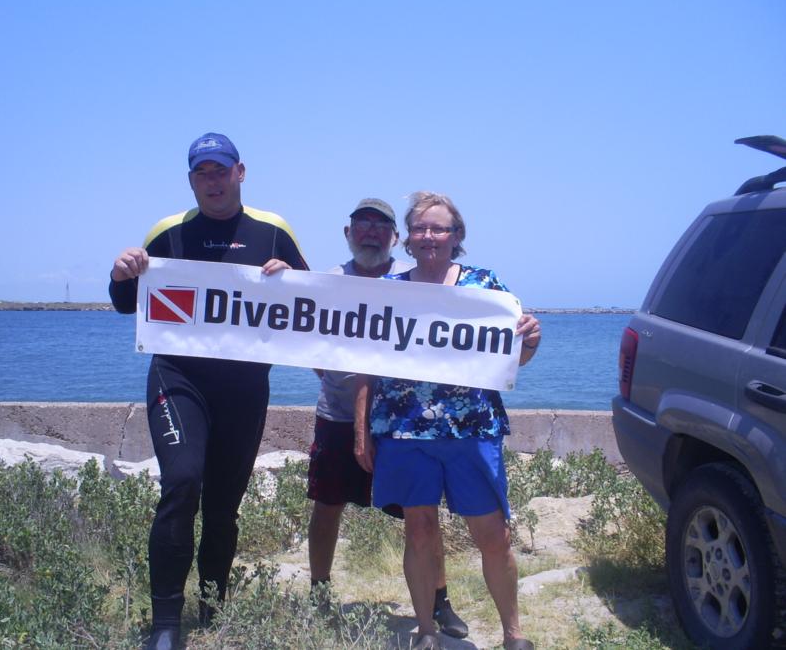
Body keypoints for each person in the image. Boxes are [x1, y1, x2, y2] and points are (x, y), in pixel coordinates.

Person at [109, 133, 308, 650]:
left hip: (244, 388)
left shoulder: (273, 230)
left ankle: (213, 607)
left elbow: (313, 310)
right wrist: (121, 272)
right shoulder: (168, 232)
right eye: (202, 172)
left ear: (241, 172)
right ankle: (166, 627)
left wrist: (288, 279)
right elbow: (127, 303)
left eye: (221, 170)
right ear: (191, 179)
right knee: (182, 483)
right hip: (179, 379)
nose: (212, 181)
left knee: (222, 507)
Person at [354, 191, 540, 650]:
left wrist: (531, 339)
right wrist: (361, 430)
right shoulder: (389, 292)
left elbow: (515, 358)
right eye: (420, 228)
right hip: (404, 430)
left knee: (492, 535)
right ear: (407, 238)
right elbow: (365, 363)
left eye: (439, 228)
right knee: (418, 531)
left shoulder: (485, 285)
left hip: (472, 430)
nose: (429, 236)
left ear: (457, 236)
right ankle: (427, 631)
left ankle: (514, 635)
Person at [306, 198, 469, 638]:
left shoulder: (408, 281)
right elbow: (301, 337)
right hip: (338, 414)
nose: (371, 233)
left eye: (382, 227)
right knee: (327, 505)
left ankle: (440, 601)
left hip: (402, 420)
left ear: (395, 238)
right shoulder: (328, 283)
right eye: (363, 225)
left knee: (421, 516)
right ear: (347, 233)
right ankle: (318, 593)